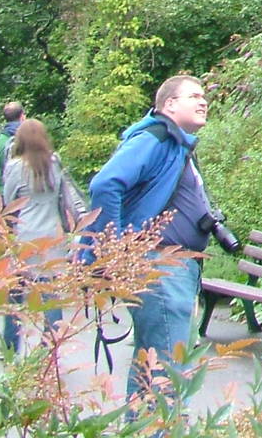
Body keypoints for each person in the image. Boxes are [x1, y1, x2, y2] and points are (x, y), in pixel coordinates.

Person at [84, 75, 214, 405]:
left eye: (204, 97)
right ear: (169, 104)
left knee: (151, 364)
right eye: (194, 96)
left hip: (174, 268)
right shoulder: (155, 138)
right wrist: (112, 249)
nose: (203, 102)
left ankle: (140, 427)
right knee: (167, 371)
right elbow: (105, 185)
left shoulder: (176, 144)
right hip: (159, 268)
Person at [0, 117, 86, 353]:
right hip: (53, 233)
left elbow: (9, 203)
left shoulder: (16, 166)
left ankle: (9, 345)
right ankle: (50, 346)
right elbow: (63, 197)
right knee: (50, 292)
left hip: (25, 234)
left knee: (16, 292)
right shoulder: (54, 162)